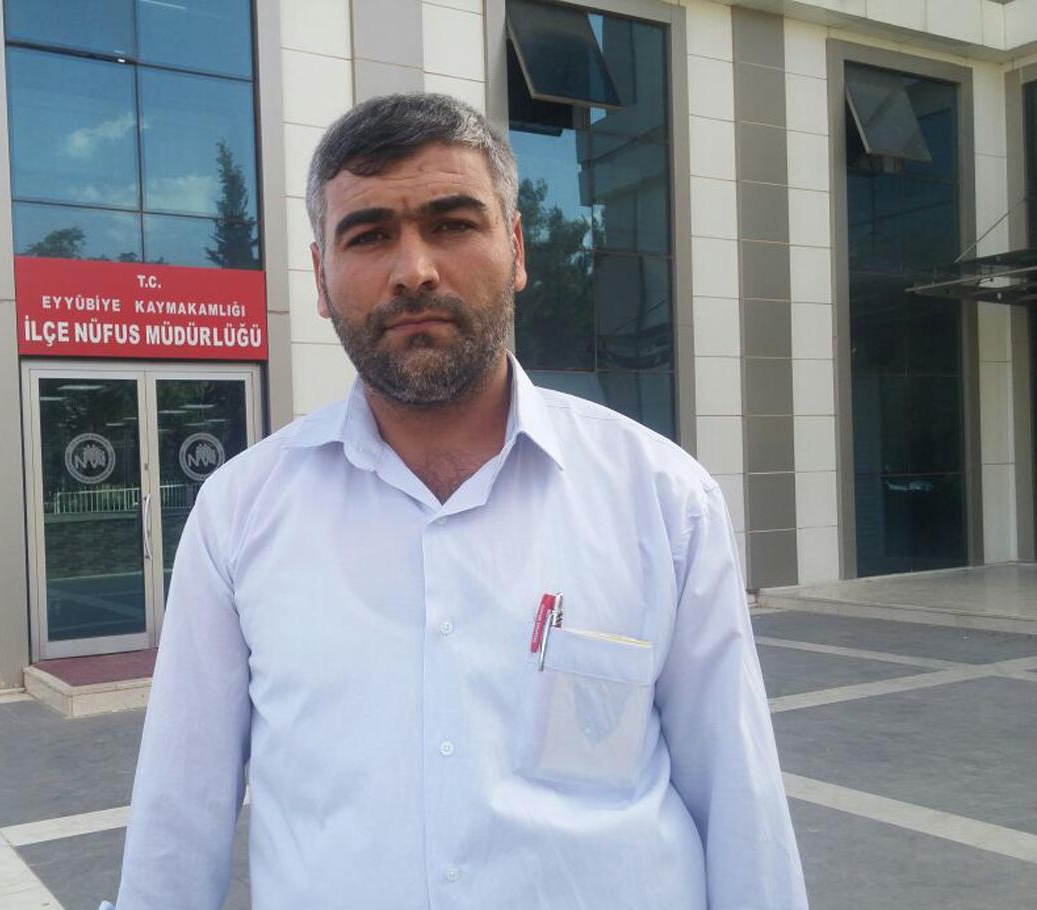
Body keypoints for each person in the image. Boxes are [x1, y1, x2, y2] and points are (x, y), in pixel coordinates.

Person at [106, 93, 807, 909]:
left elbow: (740, 798)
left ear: (516, 248)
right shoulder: (239, 516)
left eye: (452, 223)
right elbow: (178, 811)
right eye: (369, 235)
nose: (414, 270)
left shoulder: (663, 498)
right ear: (321, 278)